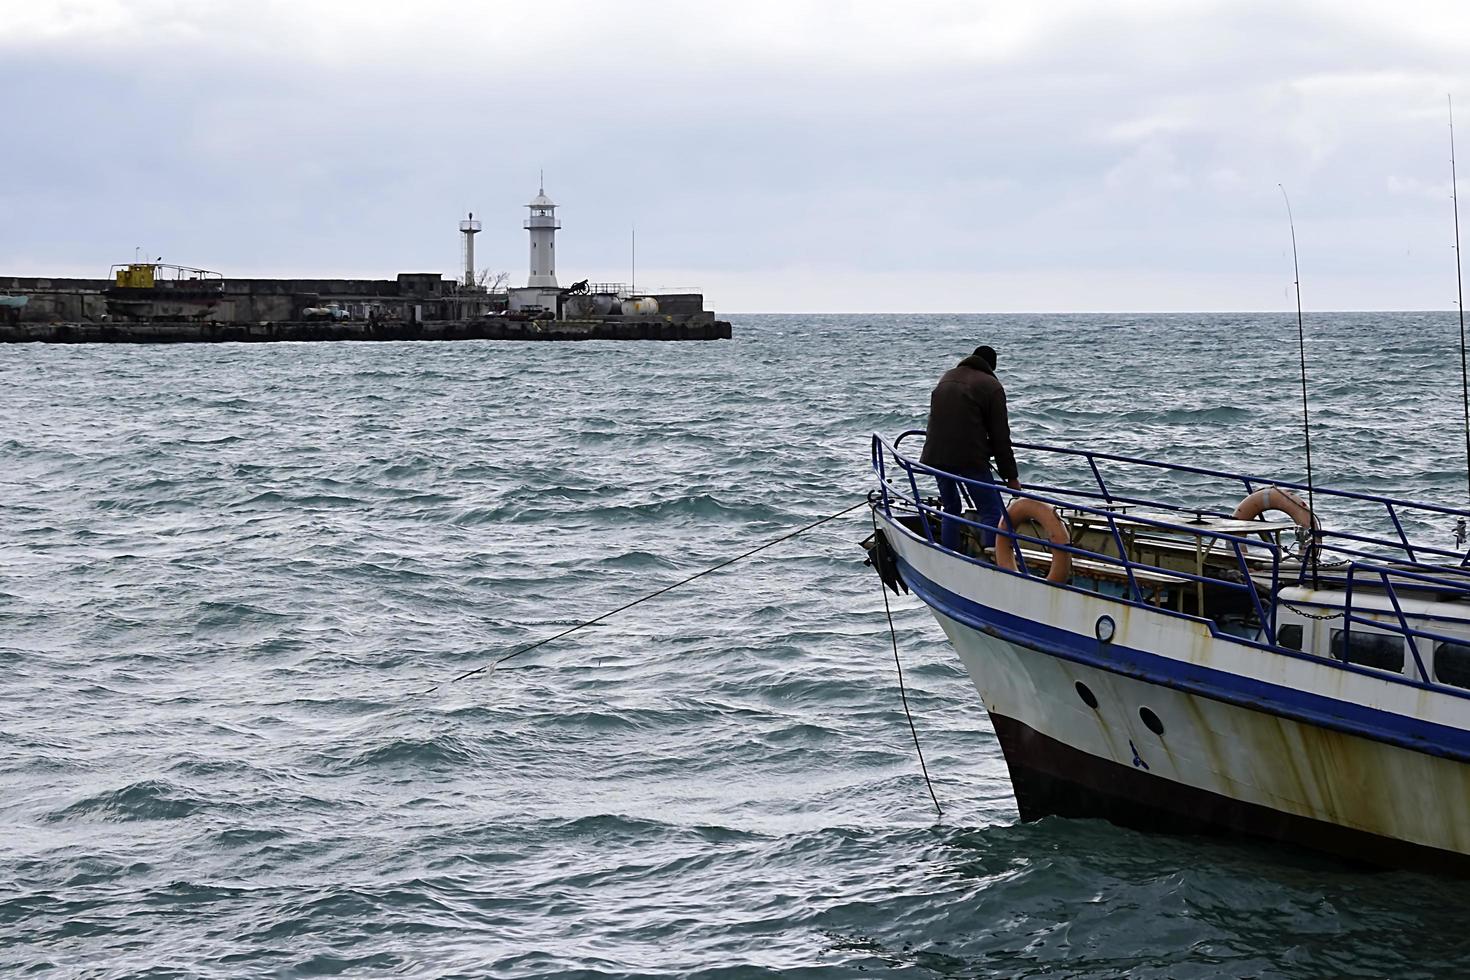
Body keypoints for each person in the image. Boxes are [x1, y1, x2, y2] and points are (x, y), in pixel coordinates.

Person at [921, 344, 1021, 553]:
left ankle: (948, 553)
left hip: (935, 454)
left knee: (951, 508)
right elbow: (1000, 436)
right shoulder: (991, 386)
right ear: (991, 366)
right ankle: (991, 560)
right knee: (992, 511)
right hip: (969, 458)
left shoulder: (947, 377)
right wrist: (1011, 477)